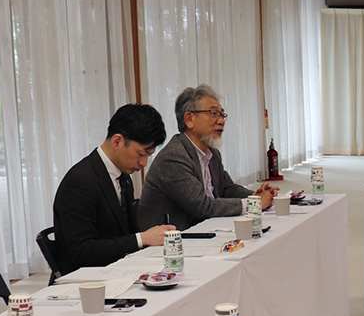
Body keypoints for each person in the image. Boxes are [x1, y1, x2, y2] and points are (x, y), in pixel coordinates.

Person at [53, 104, 176, 272]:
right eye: (141, 154)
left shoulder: (123, 177)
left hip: (120, 269)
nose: (144, 163)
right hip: (90, 279)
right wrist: (142, 239)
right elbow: (81, 252)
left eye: (148, 155)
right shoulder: (80, 182)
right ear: (117, 141)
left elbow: (127, 233)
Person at [138, 84, 276, 230]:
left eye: (222, 115)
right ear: (189, 119)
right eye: (213, 113)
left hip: (205, 232)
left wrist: (256, 195)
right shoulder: (173, 157)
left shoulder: (212, 152)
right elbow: (203, 206)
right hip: (170, 242)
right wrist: (255, 204)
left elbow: (226, 189)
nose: (221, 121)